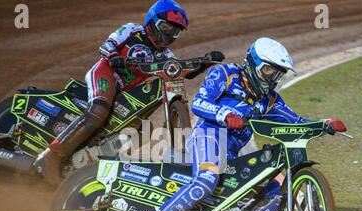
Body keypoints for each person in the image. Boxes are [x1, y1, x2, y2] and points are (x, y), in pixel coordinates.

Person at [130, 37, 347, 211]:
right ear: (253, 63)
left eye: (278, 74)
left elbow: (297, 123)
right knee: (207, 178)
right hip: (209, 134)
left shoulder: (270, 100)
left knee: (276, 195)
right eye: (269, 71)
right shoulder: (225, 74)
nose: (273, 79)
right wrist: (224, 114)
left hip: (234, 152)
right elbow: (198, 102)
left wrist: (323, 124)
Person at [36, 0, 224, 185]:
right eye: (166, 27)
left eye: (175, 31)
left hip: (125, 92)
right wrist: (114, 56)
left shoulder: (166, 56)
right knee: (99, 111)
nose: (169, 34)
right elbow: (107, 45)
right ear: (152, 21)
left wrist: (204, 62)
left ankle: (90, 164)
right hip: (106, 73)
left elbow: (183, 72)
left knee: (137, 132)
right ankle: (51, 155)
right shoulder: (132, 30)